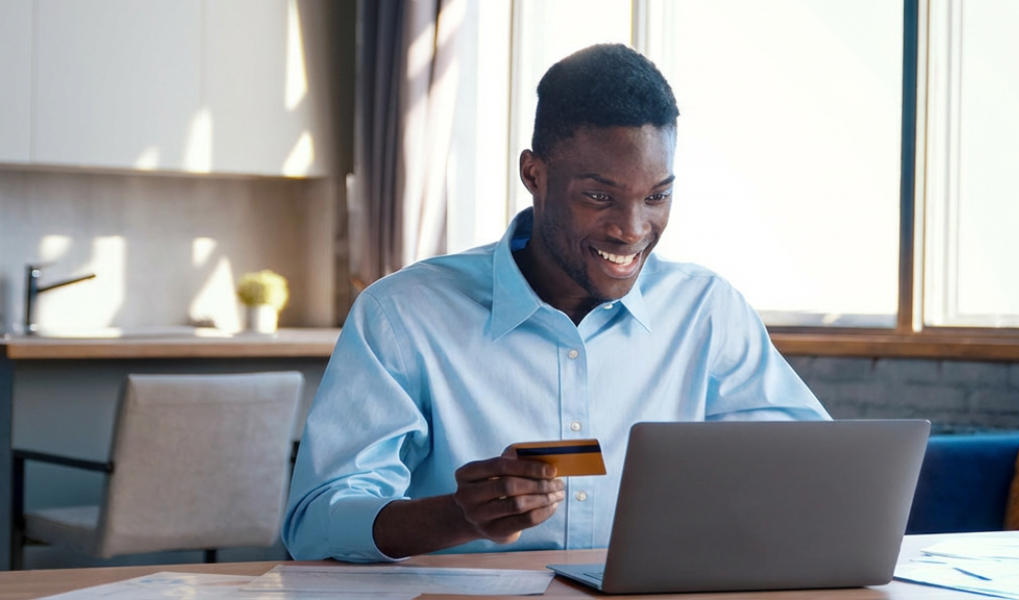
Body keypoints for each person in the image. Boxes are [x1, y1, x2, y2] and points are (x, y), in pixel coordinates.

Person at [282, 44, 829, 562]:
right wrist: (457, 516)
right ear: (534, 175)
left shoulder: (706, 310)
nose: (632, 229)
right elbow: (315, 523)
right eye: (599, 196)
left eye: (657, 196)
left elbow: (817, 473)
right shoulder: (402, 314)